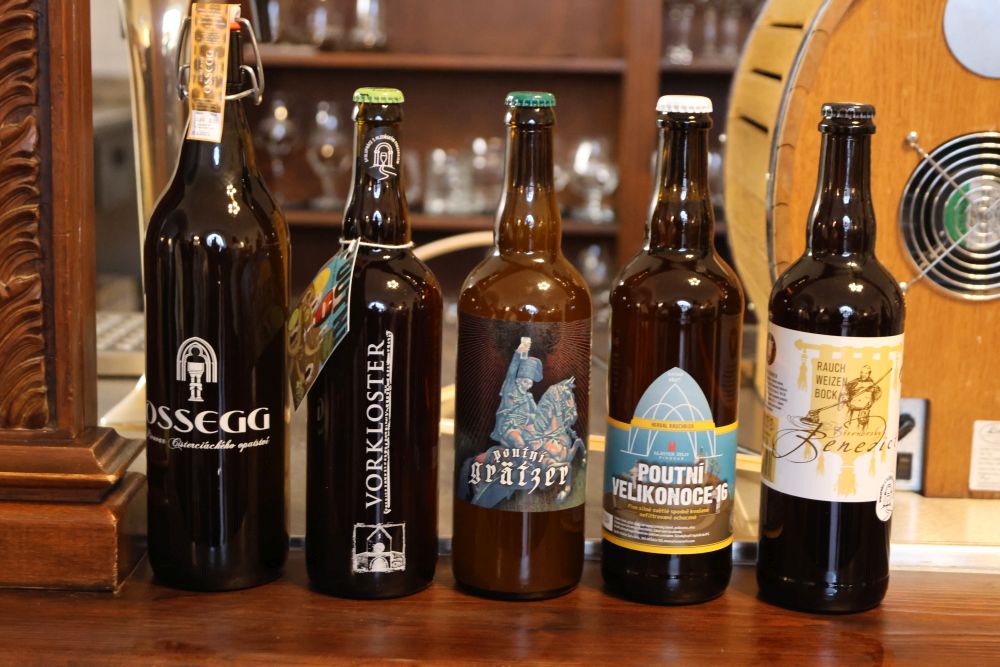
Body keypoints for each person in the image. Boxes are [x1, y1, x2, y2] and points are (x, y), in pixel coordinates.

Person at [490, 338, 543, 450]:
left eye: (530, 383)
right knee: (520, 443)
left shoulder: (529, 397)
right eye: (525, 382)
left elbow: (536, 413)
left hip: (525, 427)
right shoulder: (510, 389)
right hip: (509, 427)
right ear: (518, 381)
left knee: (539, 442)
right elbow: (511, 372)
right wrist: (518, 354)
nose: (527, 385)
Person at [844, 364, 881, 429]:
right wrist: (848, 401)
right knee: (848, 427)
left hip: (863, 411)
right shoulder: (854, 382)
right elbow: (845, 391)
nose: (863, 374)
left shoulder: (872, 385)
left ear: (869, 374)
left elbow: (877, 394)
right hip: (853, 408)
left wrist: (871, 401)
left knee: (861, 428)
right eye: (862, 372)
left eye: (866, 373)